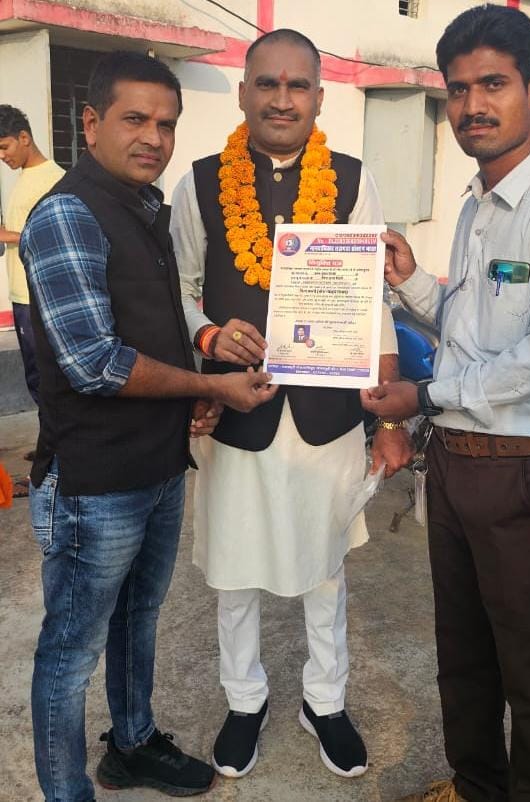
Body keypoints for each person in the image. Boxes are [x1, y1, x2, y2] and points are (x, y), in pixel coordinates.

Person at [20, 50, 277, 802]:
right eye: (135, 119)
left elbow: (151, 329)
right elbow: (93, 361)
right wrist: (209, 385)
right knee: (70, 651)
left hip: (157, 467)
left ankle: (131, 745)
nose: (153, 138)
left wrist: (187, 396)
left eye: (166, 124)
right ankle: (67, 792)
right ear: (90, 123)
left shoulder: (144, 207)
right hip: (93, 483)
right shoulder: (67, 214)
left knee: (138, 619)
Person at [360, 6, 530, 802]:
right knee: (462, 654)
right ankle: (474, 787)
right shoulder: (473, 203)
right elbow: (469, 329)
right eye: (457, 89)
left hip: (520, 473)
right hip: (456, 467)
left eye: (492, 84)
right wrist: (408, 282)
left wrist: (423, 394)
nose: (472, 106)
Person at [170, 28, 414, 781]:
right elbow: (178, 289)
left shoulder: (350, 180)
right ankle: (245, 701)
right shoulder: (200, 183)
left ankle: (325, 701)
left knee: (324, 570)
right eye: (267, 83)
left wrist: (390, 417)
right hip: (233, 408)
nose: (282, 98)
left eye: (297, 84)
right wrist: (208, 334)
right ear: (243, 92)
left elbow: (373, 301)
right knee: (234, 569)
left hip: (325, 414)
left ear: (318, 97)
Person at [0, 105, 64, 457]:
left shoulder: (52, 179)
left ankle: (56, 457)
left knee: (47, 379)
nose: (2, 156)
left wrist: (7, 235)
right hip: (21, 292)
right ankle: (49, 446)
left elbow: (54, 235)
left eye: (4, 146)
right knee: (36, 377)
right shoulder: (24, 177)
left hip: (38, 296)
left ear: (24, 137)